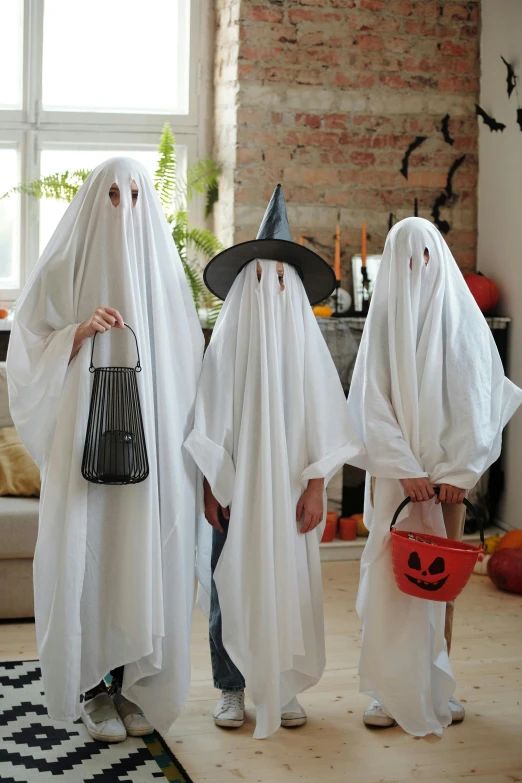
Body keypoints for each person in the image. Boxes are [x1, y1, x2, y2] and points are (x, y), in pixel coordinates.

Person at [7, 157, 204, 742]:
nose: (124, 208)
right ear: (96, 199)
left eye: (136, 195)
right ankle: (93, 687)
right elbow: (27, 345)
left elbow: (185, 366)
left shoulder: (164, 277)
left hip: (151, 445)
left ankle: (137, 683)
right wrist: (79, 333)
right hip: (84, 444)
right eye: (112, 195)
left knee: (141, 553)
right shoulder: (66, 264)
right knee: (90, 552)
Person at [185, 185, 356, 739]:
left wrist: (315, 485)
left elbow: (324, 418)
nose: (272, 285)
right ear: (246, 281)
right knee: (228, 583)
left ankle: (281, 685)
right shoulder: (227, 344)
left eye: (282, 277)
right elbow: (209, 417)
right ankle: (231, 686)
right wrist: (212, 487)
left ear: (293, 287)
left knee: (288, 582)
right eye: (261, 274)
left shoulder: (306, 347)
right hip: (237, 486)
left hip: (287, 487)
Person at [345, 217, 522, 736]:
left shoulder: (464, 322)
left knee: (438, 584)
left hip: (447, 482)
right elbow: (371, 405)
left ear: (437, 259)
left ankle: (434, 681)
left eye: (424, 256)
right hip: (397, 482)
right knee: (389, 577)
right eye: (404, 259)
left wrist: (458, 472)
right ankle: (385, 687)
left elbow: (481, 400)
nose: (416, 268)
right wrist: (403, 469)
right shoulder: (383, 325)